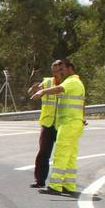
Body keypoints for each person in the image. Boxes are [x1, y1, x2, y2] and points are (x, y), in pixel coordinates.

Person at [32, 59, 85, 196]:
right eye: (58, 70)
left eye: (62, 70)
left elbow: (59, 89)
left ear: (70, 68)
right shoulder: (76, 82)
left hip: (68, 123)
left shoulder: (72, 81)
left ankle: (55, 186)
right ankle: (69, 185)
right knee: (70, 156)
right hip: (72, 123)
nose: (60, 73)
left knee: (61, 155)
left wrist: (42, 92)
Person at [28, 59, 65, 189]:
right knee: (43, 153)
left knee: (62, 154)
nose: (57, 74)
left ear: (64, 70)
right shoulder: (47, 82)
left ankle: (61, 183)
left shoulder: (68, 83)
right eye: (54, 71)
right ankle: (40, 180)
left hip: (62, 124)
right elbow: (32, 93)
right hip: (48, 124)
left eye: (59, 70)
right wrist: (33, 90)